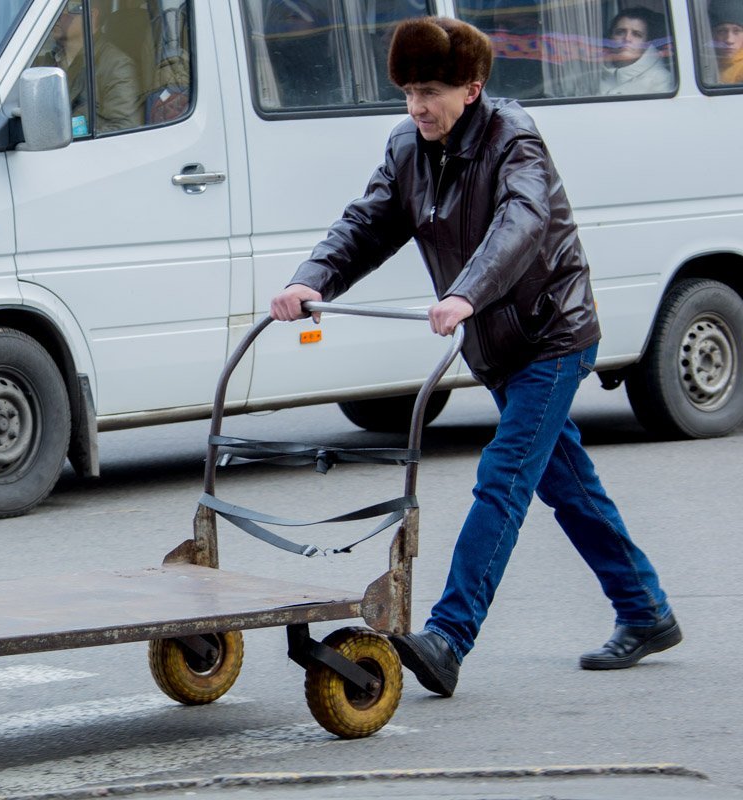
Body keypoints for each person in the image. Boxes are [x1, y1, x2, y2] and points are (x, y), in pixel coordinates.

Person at [269, 17, 680, 698]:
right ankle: (645, 610)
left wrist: (464, 293)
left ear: (473, 87)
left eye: (430, 91)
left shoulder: (513, 138)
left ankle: (449, 636)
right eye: (407, 92)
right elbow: (367, 223)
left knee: (504, 478)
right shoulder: (408, 146)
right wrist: (309, 279)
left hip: (551, 334)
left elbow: (520, 224)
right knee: (565, 484)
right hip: (494, 341)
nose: (417, 107)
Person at [36, 0, 143, 133]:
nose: (57, 16)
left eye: (66, 10)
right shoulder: (46, 62)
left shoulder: (116, 65)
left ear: (91, 17)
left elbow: (125, 128)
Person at [600, 7, 673, 95]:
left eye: (636, 34)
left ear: (647, 43)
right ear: (610, 37)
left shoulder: (661, 79)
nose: (627, 38)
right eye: (620, 32)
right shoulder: (593, 73)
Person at [710, 0, 743, 83]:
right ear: (712, 34)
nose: (729, 40)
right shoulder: (705, 61)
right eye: (722, 31)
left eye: (737, 31)